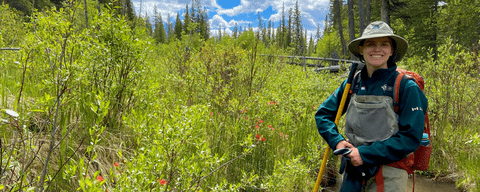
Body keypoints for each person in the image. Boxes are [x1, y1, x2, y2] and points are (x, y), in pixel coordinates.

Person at [315, 21, 428, 191]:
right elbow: (323, 115)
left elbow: (411, 138)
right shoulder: (352, 83)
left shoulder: (405, 87)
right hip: (353, 170)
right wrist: (337, 141)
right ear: (361, 49)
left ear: (391, 50)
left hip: (390, 171)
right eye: (371, 44)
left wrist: (365, 154)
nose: (377, 49)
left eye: (384, 44)